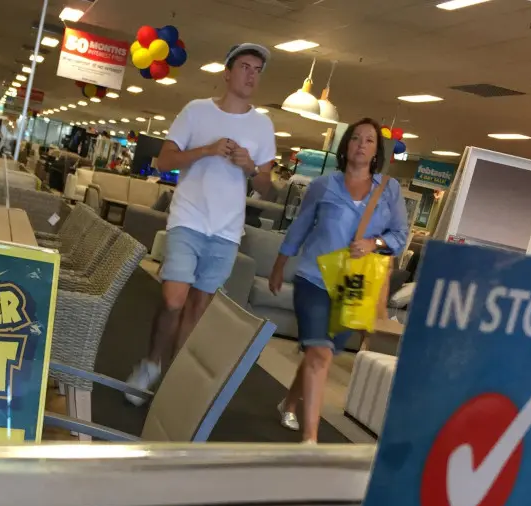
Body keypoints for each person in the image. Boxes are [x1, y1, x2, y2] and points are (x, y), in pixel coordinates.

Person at [125, 43, 278, 402]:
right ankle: (151, 363)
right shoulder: (196, 111)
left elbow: (267, 190)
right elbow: (163, 162)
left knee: (198, 308)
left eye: (257, 69)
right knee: (174, 299)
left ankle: (173, 384)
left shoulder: (262, 126)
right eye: (245, 66)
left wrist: (250, 167)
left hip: (226, 232)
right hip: (188, 220)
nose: (251, 74)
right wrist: (207, 150)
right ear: (227, 72)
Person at [268, 117, 409, 442]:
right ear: (346, 146)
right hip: (314, 279)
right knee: (319, 354)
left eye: (369, 140)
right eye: (356, 138)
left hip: (353, 286)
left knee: (324, 352)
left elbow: (400, 234)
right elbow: (300, 227)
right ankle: (311, 439)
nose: (361, 144)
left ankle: (289, 402)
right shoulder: (323, 186)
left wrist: (374, 243)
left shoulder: (389, 191)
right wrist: (279, 265)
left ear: (377, 151)